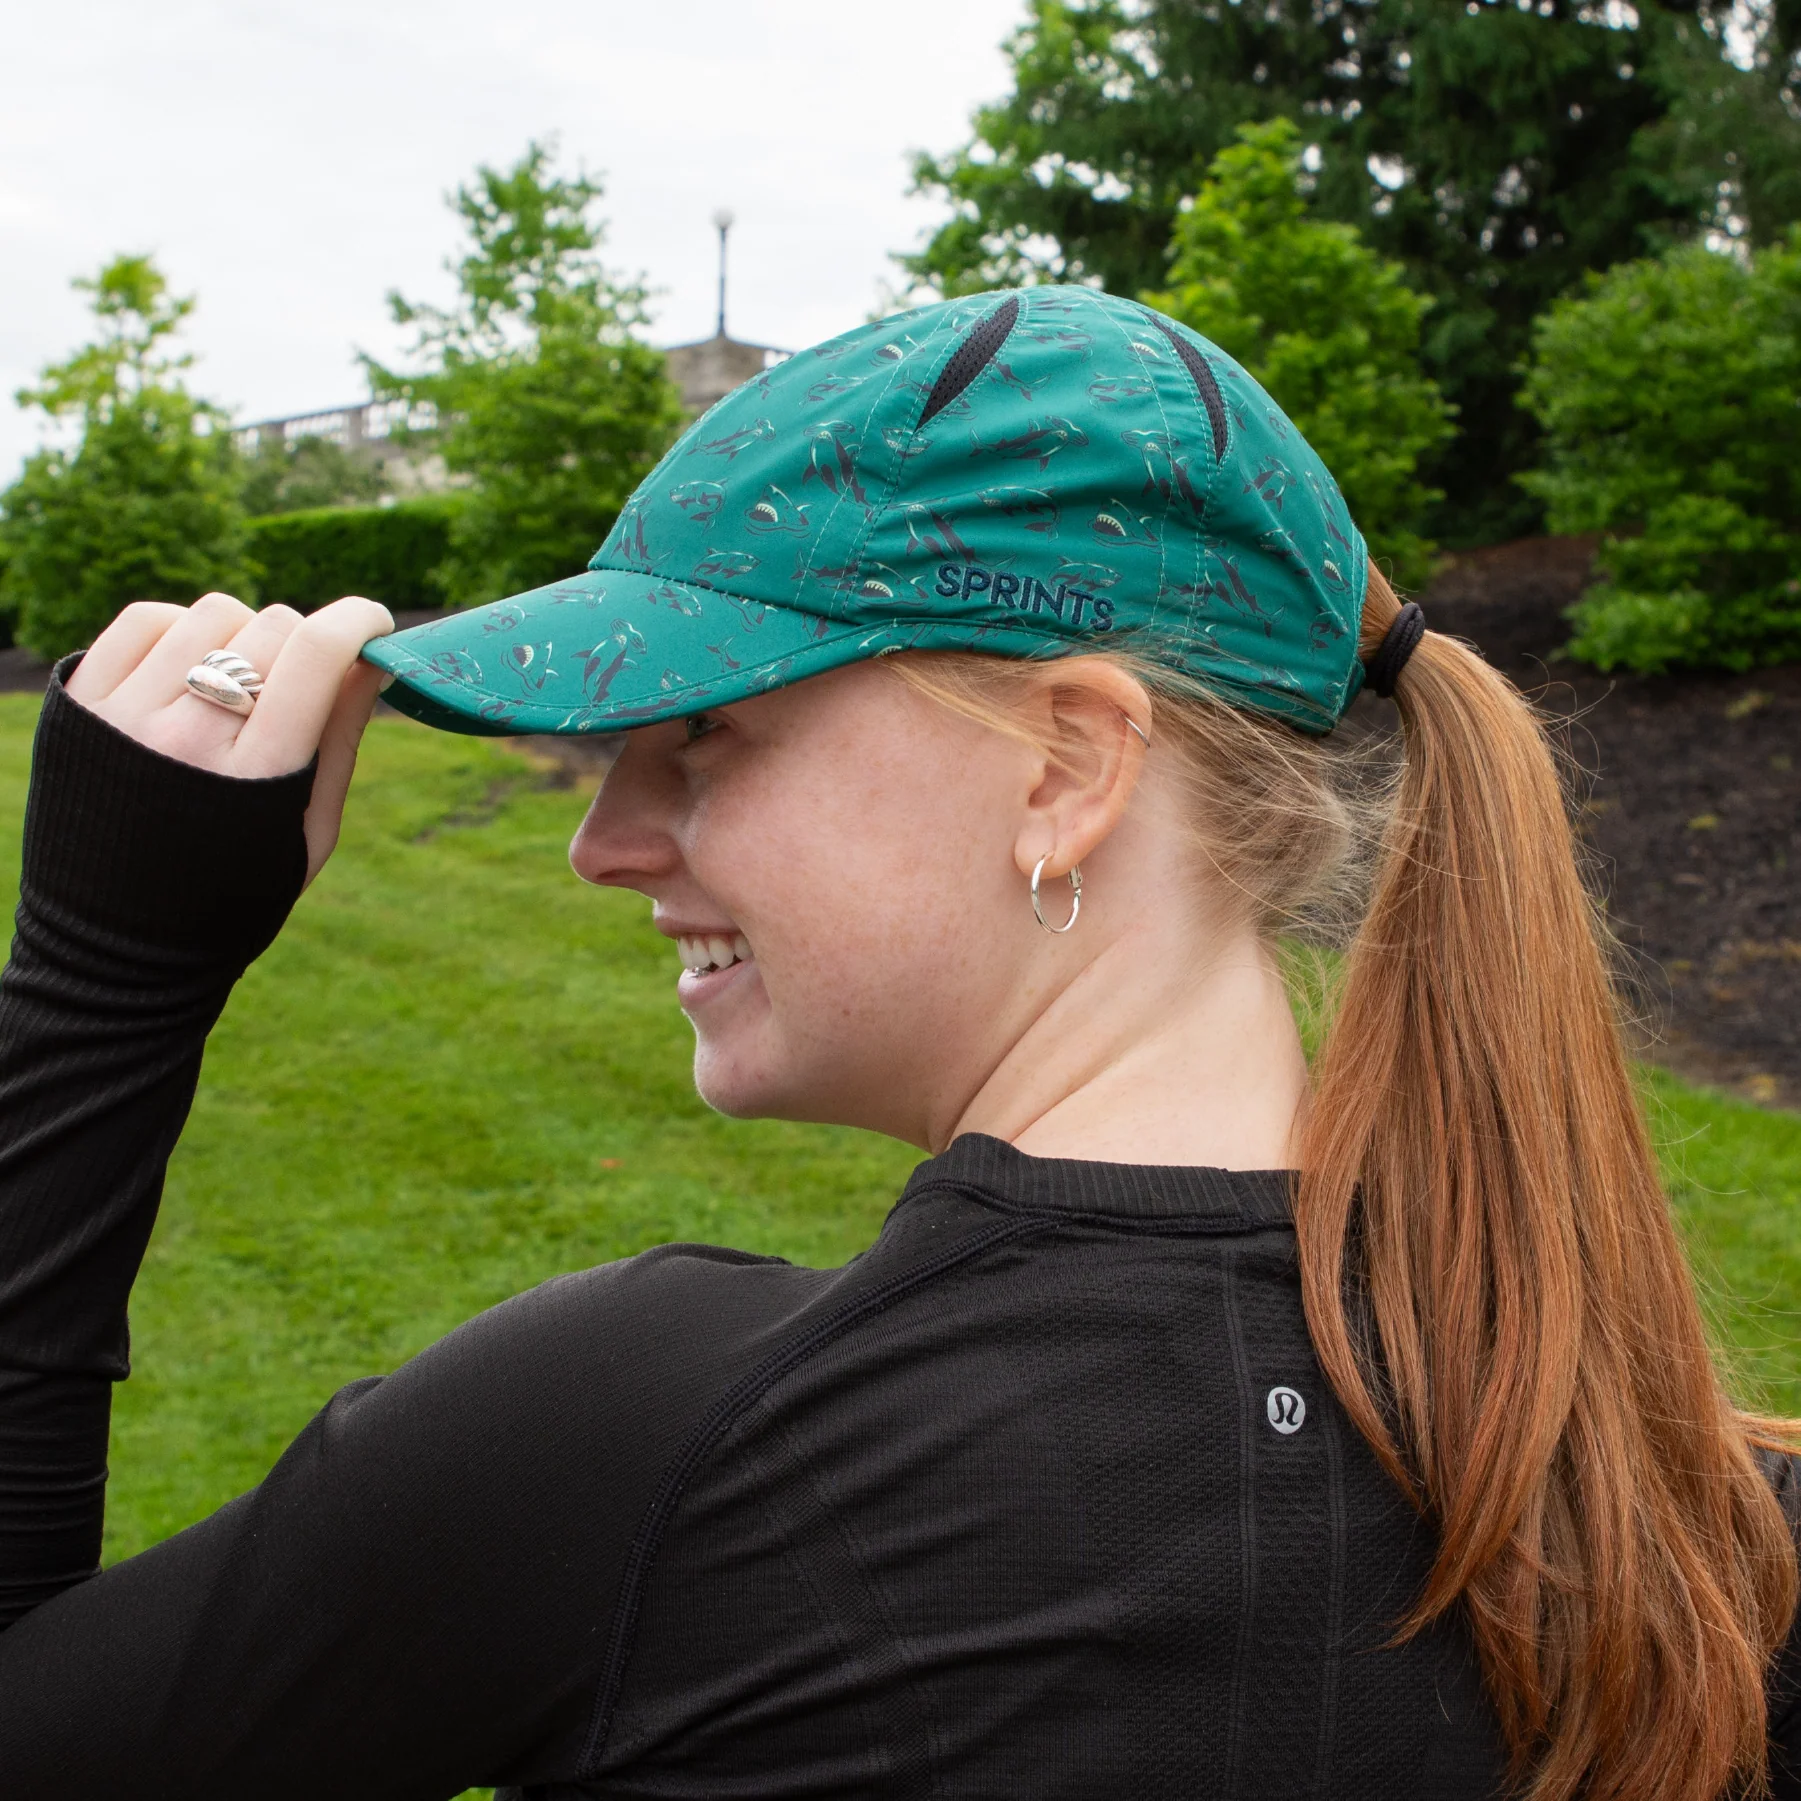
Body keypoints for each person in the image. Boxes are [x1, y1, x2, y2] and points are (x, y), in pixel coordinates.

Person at [0, 286, 1794, 1801]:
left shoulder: (632, 1455)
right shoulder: (1712, 1537)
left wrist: (104, 981)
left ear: (1067, 767)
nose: (604, 841)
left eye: (706, 732)